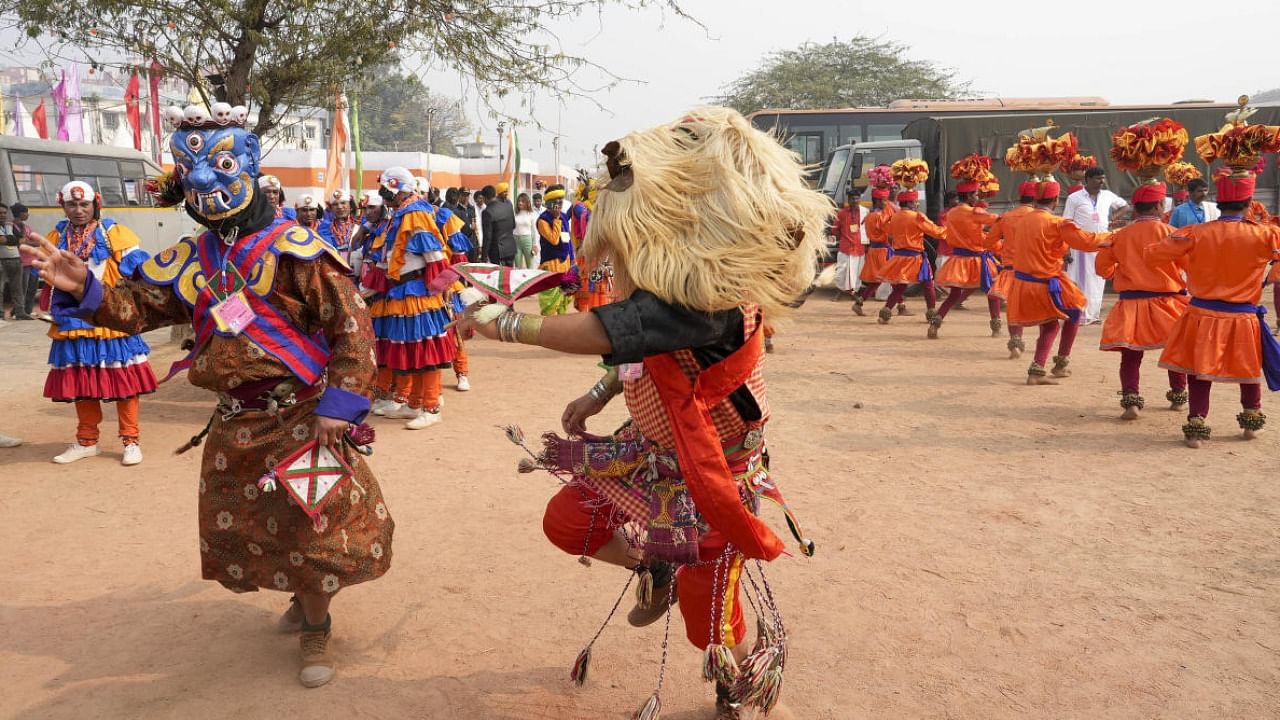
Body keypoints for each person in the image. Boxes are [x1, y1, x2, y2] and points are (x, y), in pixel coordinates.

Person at [456, 106, 822, 720]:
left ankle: (735, 687)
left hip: (709, 473)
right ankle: (656, 563)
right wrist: (600, 395)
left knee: (708, 610)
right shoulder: (672, 290)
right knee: (569, 520)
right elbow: (637, 349)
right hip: (649, 453)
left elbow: (615, 329)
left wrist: (509, 324)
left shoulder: (714, 299)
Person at [28, 106, 393, 687]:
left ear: (249, 169)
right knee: (249, 526)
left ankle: (316, 623)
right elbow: (140, 310)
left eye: (222, 168)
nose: (206, 184)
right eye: (193, 169)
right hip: (232, 423)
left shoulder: (299, 250)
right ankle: (301, 599)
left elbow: (352, 327)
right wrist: (87, 288)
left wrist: (339, 406)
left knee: (313, 528)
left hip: (300, 417)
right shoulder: (195, 257)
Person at [1147, 166, 1280, 448]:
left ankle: (1196, 425)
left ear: (1218, 204)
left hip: (1201, 314)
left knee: (1198, 371)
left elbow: (1154, 256)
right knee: (1249, 370)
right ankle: (1250, 419)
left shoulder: (1195, 233)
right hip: (1242, 315)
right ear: (1249, 203)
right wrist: (1268, 278)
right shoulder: (1266, 235)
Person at [41, 180, 157, 465]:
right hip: (73, 320)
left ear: (95, 204)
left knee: (123, 379)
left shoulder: (115, 232)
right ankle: (86, 440)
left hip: (111, 319)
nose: (79, 210)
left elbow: (139, 270)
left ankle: (131, 440)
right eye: (72, 204)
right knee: (81, 379)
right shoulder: (57, 236)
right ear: (63, 205)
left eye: (84, 204)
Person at [367, 166, 463, 430]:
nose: (384, 196)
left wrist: (444, 290)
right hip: (401, 292)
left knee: (425, 350)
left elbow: (435, 257)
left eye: (388, 191)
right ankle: (413, 403)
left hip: (420, 294)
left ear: (400, 191)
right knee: (411, 349)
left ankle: (431, 406)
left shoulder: (416, 214)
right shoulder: (401, 215)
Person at [1093, 182, 1189, 420]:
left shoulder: (1119, 236)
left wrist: (1122, 274)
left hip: (1131, 303)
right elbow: (1189, 268)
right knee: (1175, 350)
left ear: (1135, 208)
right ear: (1158, 206)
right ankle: (1178, 396)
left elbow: (1101, 268)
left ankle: (1131, 402)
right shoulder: (1172, 234)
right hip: (1168, 303)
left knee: (1131, 355)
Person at [1005, 178, 1108, 384]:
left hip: (1022, 283)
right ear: (1055, 201)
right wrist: (1114, 236)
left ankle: (1043, 368)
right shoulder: (1056, 222)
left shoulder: (1022, 220)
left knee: (1053, 323)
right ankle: (1054, 365)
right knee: (1073, 312)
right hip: (1046, 283)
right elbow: (1086, 242)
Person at [931, 181, 1000, 339]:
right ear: (969, 196)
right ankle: (996, 326)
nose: (976, 197)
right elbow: (996, 219)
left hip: (958, 259)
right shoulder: (975, 212)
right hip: (976, 260)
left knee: (954, 295)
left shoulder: (951, 213)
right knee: (992, 292)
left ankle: (935, 323)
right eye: (975, 194)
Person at [1061, 167, 1128, 324]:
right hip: (1080, 246)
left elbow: (1125, 206)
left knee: (1098, 281)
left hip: (1102, 244)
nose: (1101, 181)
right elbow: (1066, 222)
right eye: (1098, 178)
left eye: (1103, 178)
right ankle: (1079, 314)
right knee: (1079, 279)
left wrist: (1113, 218)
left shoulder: (1107, 195)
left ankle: (1093, 314)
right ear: (1088, 180)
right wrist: (1066, 248)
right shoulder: (1074, 198)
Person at [877, 185, 945, 324]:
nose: (918, 204)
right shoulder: (917, 217)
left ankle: (885, 313)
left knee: (900, 287)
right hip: (915, 258)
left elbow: (886, 230)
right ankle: (931, 312)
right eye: (915, 202)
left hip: (899, 257)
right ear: (909, 203)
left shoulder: (895, 217)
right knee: (928, 284)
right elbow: (936, 232)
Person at [985, 181, 1038, 358]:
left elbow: (989, 242)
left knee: (1013, 307)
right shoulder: (1041, 217)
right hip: (1035, 270)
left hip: (1010, 269)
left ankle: (1015, 340)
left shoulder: (1007, 217)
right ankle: (1044, 347)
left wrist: (1003, 248)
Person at [852, 185, 896, 315]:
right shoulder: (879, 217)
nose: (886, 203)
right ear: (877, 201)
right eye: (884, 200)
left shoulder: (870, 215)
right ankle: (900, 305)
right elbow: (890, 231)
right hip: (882, 250)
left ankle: (859, 301)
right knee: (892, 277)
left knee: (878, 279)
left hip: (874, 250)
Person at [570, 173, 612, 311]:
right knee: (590, 287)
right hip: (590, 254)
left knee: (601, 286)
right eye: (595, 190)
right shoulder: (581, 209)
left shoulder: (594, 209)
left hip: (600, 254)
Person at [536, 184, 574, 315]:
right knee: (551, 301)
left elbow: (568, 238)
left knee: (564, 299)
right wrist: (556, 219)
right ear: (549, 203)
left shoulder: (563, 216)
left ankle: (561, 328)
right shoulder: (543, 220)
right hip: (551, 265)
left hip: (566, 263)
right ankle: (549, 329)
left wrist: (572, 259)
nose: (559, 204)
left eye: (561, 201)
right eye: (556, 201)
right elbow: (554, 239)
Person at [0, 203, 31, 320]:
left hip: (15, 259)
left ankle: (20, 312)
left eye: (4, 213)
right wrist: (14, 240)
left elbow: (22, 240)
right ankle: (0, 314)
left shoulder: (9, 226)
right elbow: (1, 240)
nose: (2, 215)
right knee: (0, 289)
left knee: (18, 288)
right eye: (0, 213)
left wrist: (10, 239)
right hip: (1, 260)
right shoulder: (9, 227)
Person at [13, 203, 44, 319]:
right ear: (20, 213)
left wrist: (26, 242)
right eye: (26, 212)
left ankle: (28, 310)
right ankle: (18, 311)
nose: (27, 214)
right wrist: (26, 242)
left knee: (32, 287)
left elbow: (37, 242)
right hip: (23, 262)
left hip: (33, 261)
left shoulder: (26, 227)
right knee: (23, 288)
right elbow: (18, 243)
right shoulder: (13, 227)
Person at [832, 190, 865, 299]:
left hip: (859, 247)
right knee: (842, 271)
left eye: (857, 198)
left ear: (860, 199)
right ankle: (840, 291)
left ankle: (854, 292)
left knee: (857, 272)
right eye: (852, 198)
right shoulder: (841, 213)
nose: (855, 201)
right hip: (845, 247)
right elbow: (835, 230)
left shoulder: (865, 212)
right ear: (848, 200)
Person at [481, 182, 517, 266]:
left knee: (500, 277)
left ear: (484, 198)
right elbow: (513, 225)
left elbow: (487, 236)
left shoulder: (487, 212)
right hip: (511, 248)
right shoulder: (508, 206)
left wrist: (484, 256)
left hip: (497, 252)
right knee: (509, 276)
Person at [318, 189, 357, 254]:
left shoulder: (359, 226)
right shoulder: (325, 228)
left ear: (350, 206)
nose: (339, 207)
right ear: (331, 208)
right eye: (335, 204)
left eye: (343, 203)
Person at [513, 192, 538, 269]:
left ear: (527, 202)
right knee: (517, 266)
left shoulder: (531, 213)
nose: (520, 203)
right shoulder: (514, 213)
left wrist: (534, 245)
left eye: (522, 201)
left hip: (527, 240)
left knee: (531, 265)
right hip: (515, 240)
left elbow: (534, 231)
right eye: (519, 201)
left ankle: (533, 280)